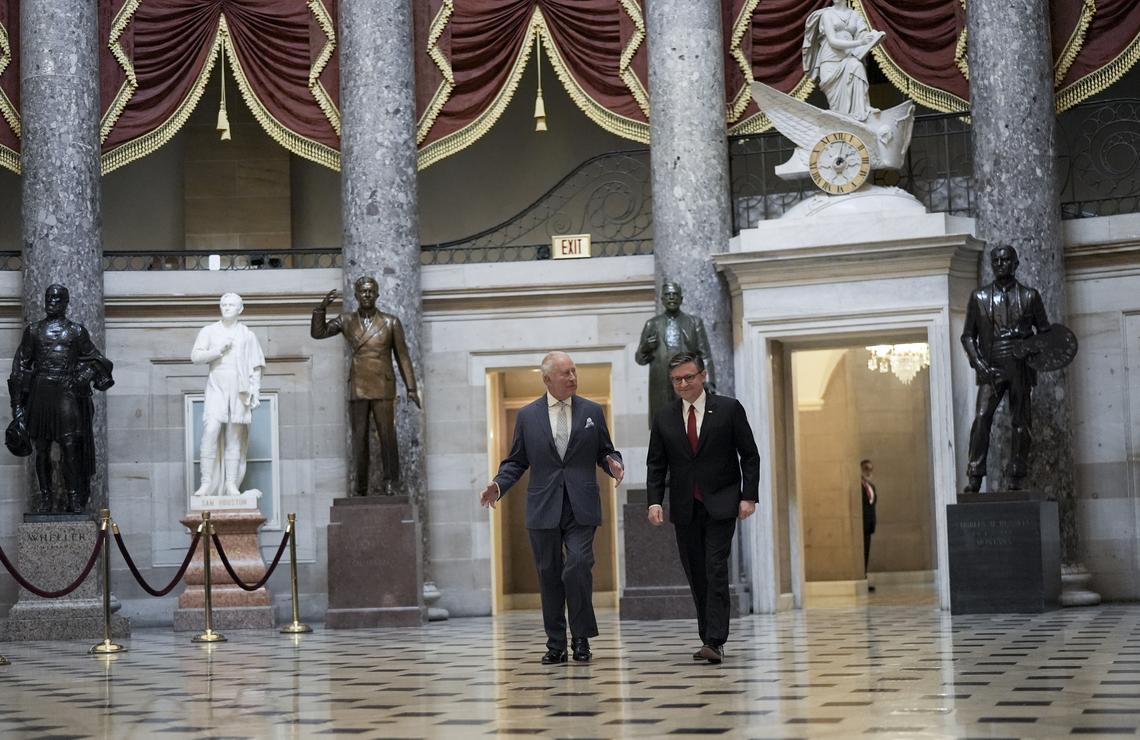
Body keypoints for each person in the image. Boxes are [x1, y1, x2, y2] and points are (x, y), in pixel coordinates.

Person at [480, 351, 624, 665]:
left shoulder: (592, 411)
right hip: (543, 506)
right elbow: (517, 461)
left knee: (577, 565)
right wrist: (498, 485)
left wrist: (614, 463)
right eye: (565, 373)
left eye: (574, 371)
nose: (573, 377)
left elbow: (606, 451)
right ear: (547, 379)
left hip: (581, 506)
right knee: (549, 575)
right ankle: (556, 644)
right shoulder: (528, 416)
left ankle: (581, 639)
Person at [646, 351, 759, 664]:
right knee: (697, 574)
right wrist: (655, 500)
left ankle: (715, 640)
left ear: (703, 375)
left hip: (721, 503)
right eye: (677, 380)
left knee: (715, 567)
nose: (683, 384)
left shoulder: (728, 409)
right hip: (685, 507)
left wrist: (748, 496)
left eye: (688, 377)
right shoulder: (665, 416)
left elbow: (749, 455)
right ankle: (707, 635)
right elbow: (656, 463)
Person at [8, 284, 114, 514]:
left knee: (70, 447)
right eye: (49, 298)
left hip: (66, 393)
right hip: (41, 392)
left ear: (66, 303)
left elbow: (98, 361)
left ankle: (74, 498)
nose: (52, 302)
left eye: (57, 299)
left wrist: (84, 377)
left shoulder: (76, 332)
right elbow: (19, 369)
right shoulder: (33, 331)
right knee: (42, 449)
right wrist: (17, 409)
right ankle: (45, 498)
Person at [311, 276, 421, 496]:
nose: (367, 295)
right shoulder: (346, 320)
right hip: (359, 386)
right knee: (359, 439)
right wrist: (320, 310)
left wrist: (411, 388)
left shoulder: (391, 322)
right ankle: (360, 487)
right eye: (363, 291)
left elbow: (403, 357)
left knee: (387, 437)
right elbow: (318, 333)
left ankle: (391, 483)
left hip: (382, 385)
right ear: (356, 295)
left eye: (371, 291)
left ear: (377, 294)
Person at [961, 245, 1050, 492]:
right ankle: (975, 475)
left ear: (1016, 263)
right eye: (997, 261)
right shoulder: (979, 297)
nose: (1001, 264)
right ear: (992, 265)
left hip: (1020, 365)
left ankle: (1016, 475)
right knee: (981, 418)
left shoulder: (1030, 296)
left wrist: (1029, 347)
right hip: (991, 366)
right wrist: (978, 363)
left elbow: (1045, 334)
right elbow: (968, 336)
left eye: (1006, 260)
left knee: (1021, 421)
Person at [190, 293, 266, 498]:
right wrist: (217, 350)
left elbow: (256, 366)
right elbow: (195, 356)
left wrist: (256, 391)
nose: (227, 307)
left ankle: (231, 484)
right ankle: (206, 483)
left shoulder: (247, 334)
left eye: (231, 305)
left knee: (234, 437)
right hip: (217, 386)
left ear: (240, 309)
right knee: (211, 430)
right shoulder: (209, 331)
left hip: (239, 389)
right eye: (223, 304)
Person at [635, 282, 716, 424]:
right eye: (667, 295)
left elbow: (704, 354)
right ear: (662, 300)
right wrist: (646, 346)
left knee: (691, 420)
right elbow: (640, 359)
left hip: (688, 379)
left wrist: (709, 381)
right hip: (660, 381)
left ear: (681, 299)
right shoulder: (652, 324)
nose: (671, 298)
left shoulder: (694, 322)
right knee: (663, 422)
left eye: (675, 295)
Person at [802, 0, 885, 122]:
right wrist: (860, 42)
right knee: (838, 110)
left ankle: (863, 108)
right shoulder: (827, 14)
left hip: (849, 58)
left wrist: (872, 38)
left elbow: (862, 35)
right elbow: (833, 41)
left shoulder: (856, 15)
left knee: (857, 66)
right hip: (830, 61)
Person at [859, 458, 877, 591]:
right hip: (861, 525)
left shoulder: (871, 486)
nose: (868, 471)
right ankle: (862, 578)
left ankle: (864, 578)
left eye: (870, 469)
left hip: (869, 525)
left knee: (867, 553)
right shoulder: (857, 486)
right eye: (866, 468)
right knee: (862, 553)